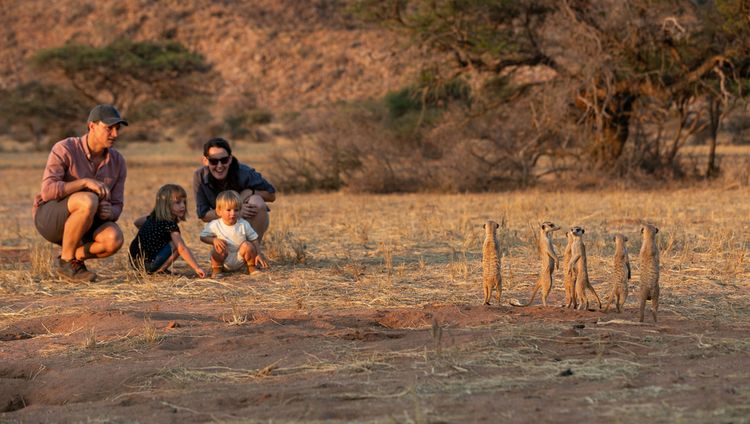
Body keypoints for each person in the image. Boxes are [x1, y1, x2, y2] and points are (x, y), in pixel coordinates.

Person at [33, 104, 128, 281]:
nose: (115, 134)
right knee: (88, 199)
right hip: (51, 219)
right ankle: (68, 262)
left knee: (114, 238)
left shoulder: (118, 161)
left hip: (88, 223)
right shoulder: (65, 148)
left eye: (117, 128)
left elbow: (117, 204)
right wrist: (84, 182)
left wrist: (110, 213)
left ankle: (69, 258)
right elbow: (47, 192)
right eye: (109, 128)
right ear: (92, 126)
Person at [193, 137, 276, 241]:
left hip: (249, 221)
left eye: (224, 160)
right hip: (222, 224)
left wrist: (251, 191)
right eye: (213, 161)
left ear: (230, 159)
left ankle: (254, 248)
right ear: (205, 161)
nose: (219, 166)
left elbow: (271, 195)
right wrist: (235, 212)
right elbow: (203, 215)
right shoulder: (199, 176)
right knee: (222, 255)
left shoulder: (244, 172)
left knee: (256, 201)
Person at [129, 184, 206, 277]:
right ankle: (160, 270)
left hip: (134, 262)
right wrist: (196, 268)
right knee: (176, 244)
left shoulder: (153, 217)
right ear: (165, 205)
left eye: (184, 202)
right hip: (149, 265)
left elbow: (137, 222)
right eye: (177, 203)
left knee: (171, 241)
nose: (183, 206)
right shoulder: (170, 224)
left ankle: (156, 268)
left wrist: (150, 234)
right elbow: (182, 249)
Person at [199, 190, 269, 278]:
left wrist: (258, 254)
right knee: (218, 248)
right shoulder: (215, 224)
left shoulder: (243, 224)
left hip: (240, 257)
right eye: (228, 210)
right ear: (219, 211)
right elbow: (203, 236)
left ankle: (252, 268)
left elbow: (254, 239)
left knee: (248, 245)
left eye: (236, 210)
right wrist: (214, 240)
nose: (232, 213)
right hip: (224, 260)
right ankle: (217, 270)